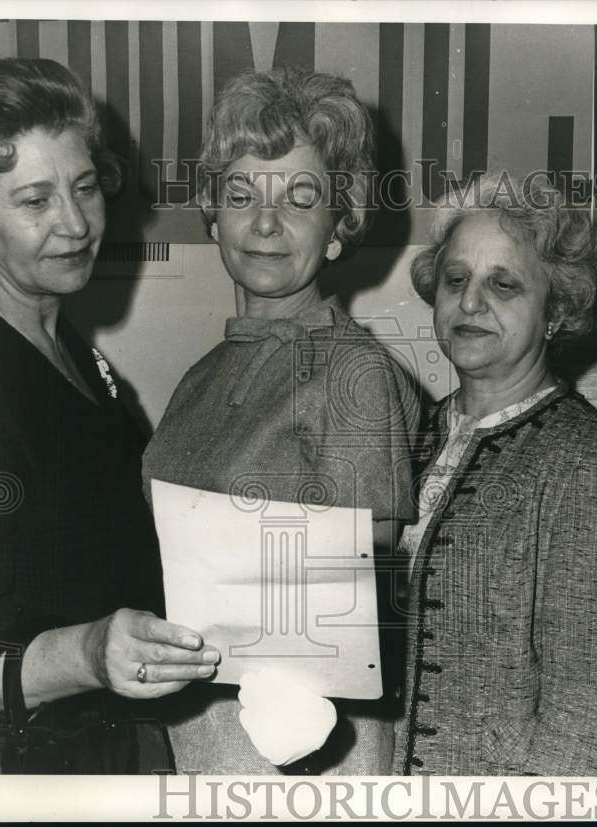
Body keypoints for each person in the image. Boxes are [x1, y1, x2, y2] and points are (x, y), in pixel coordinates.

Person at [0, 58, 218, 768]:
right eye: (35, 201)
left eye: (82, 188)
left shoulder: (49, 335)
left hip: (100, 753)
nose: (75, 224)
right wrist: (90, 652)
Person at [142, 67, 419, 775]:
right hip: (193, 735)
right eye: (242, 194)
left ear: (339, 224)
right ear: (213, 213)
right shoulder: (199, 376)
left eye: (300, 198)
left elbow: (357, 596)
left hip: (300, 752)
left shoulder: (354, 372)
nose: (266, 223)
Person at [392, 175, 597, 775]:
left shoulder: (589, 461)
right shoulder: (409, 431)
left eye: (503, 285)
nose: (470, 304)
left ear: (557, 310)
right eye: (456, 281)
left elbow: (584, 721)